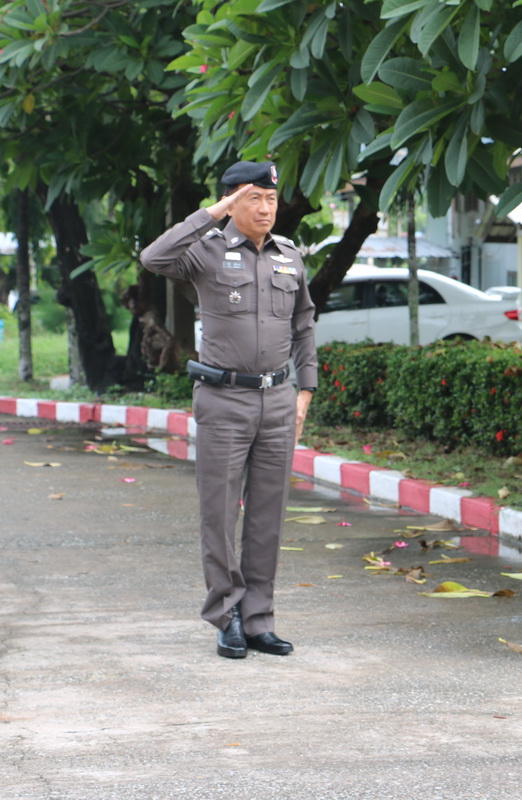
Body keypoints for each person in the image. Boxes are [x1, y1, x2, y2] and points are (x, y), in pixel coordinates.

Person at [140, 160, 318, 660]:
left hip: (278, 401)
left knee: (268, 516)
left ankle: (259, 618)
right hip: (223, 399)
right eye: (254, 198)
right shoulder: (207, 254)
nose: (266, 209)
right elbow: (154, 257)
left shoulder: (289, 257)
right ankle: (227, 614)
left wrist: (305, 391)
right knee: (219, 512)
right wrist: (213, 213)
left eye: (271, 199)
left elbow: (304, 327)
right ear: (232, 201)